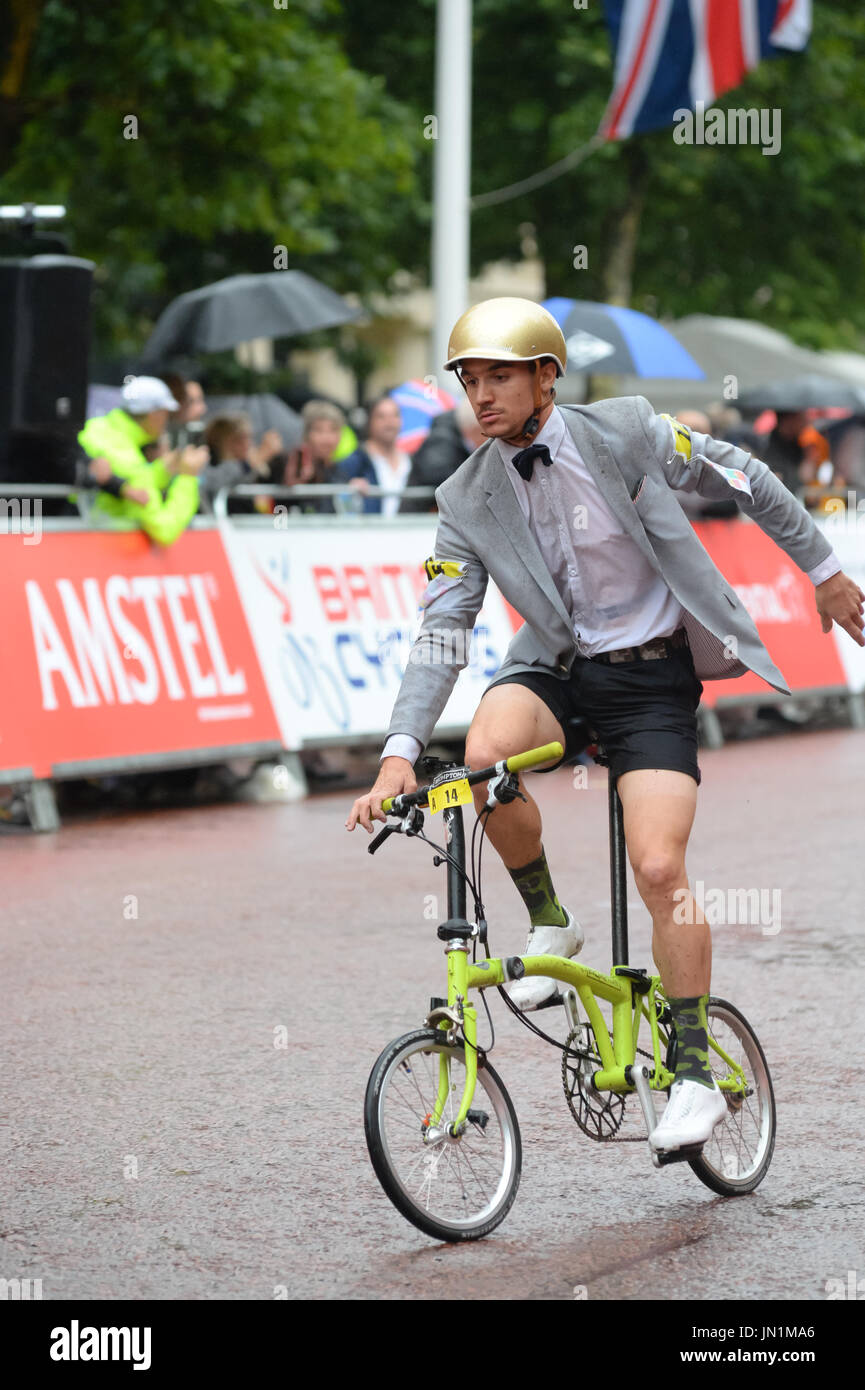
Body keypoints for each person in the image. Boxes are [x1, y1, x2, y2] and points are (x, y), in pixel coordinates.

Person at [346, 297, 864, 1155]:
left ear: (546, 375)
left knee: (659, 867)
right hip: (557, 666)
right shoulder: (462, 495)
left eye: (499, 376)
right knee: (483, 753)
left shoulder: (626, 431)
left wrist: (824, 569)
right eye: (469, 380)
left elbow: (744, 475)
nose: (481, 395)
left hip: (652, 676)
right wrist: (398, 754)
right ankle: (551, 919)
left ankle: (694, 1073)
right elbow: (442, 629)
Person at [78, 376, 208, 545]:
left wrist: (164, 469)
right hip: (111, 549)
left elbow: (134, 478)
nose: (166, 420)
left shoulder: (96, 428)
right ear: (155, 414)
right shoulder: (128, 459)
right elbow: (164, 530)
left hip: (87, 539)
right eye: (166, 413)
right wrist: (188, 476)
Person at [399, 400, 487, 514]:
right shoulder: (442, 440)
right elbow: (437, 475)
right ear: (475, 430)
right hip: (418, 520)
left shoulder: (452, 433)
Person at [339, 396, 411, 516]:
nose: (389, 422)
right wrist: (349, 492)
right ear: (370, 422)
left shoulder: (410, 461)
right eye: (381, 416)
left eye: (395, 415)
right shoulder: (354, 462)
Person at [273, 400, 347, 515]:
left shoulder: (339, 471)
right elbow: (280, 510)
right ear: (306, 434)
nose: (326, 438)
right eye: (319, 430)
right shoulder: (292, 461)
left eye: (333, 430)